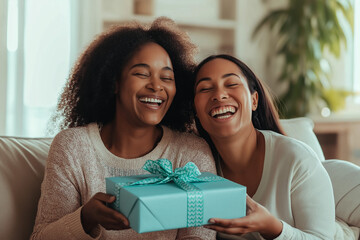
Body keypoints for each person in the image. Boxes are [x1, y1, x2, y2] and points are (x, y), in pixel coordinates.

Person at [31, 17, 216, 240]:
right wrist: (86, 218)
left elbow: (200, 236)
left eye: (166, 77)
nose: (156, 86)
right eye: (141, 74)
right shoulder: (73, 147)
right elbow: (41, 236)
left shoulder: (192, 154)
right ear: (114, 82)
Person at [192, 54, 336, 239]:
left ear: (254, 100)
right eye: (205, 88)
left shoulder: (296, 159)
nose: (219, 95)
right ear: (195, 111)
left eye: (232, 84)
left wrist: (272, 228)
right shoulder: (195, 167)